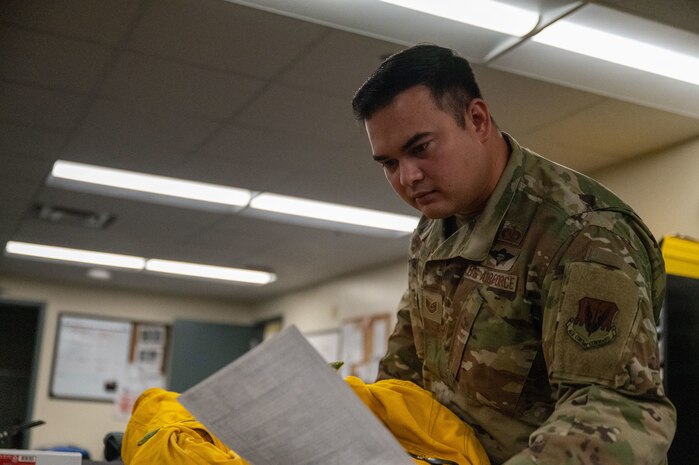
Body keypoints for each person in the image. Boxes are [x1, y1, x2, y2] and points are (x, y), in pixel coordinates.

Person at [351, 44, 676, 465]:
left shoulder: (584, 234)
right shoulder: (434, 229)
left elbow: (616, 417)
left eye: (421, 148)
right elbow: (405, 372)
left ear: (477, 120)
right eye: (388, 164)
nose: (408, 177)